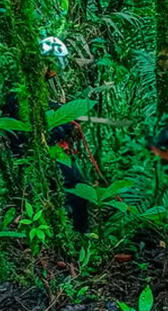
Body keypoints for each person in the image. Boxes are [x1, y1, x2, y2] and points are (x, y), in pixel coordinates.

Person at [1, 37, 89, 233]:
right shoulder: (20, 91)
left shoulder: (29, 85)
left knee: (75, 186)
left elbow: (44, 110)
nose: (52, 72)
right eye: (50, 65)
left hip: (40, 153)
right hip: (33, 156)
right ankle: (77, 236)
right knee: (76, 187)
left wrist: (64, 111)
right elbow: (32, 133)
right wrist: (65, 126)